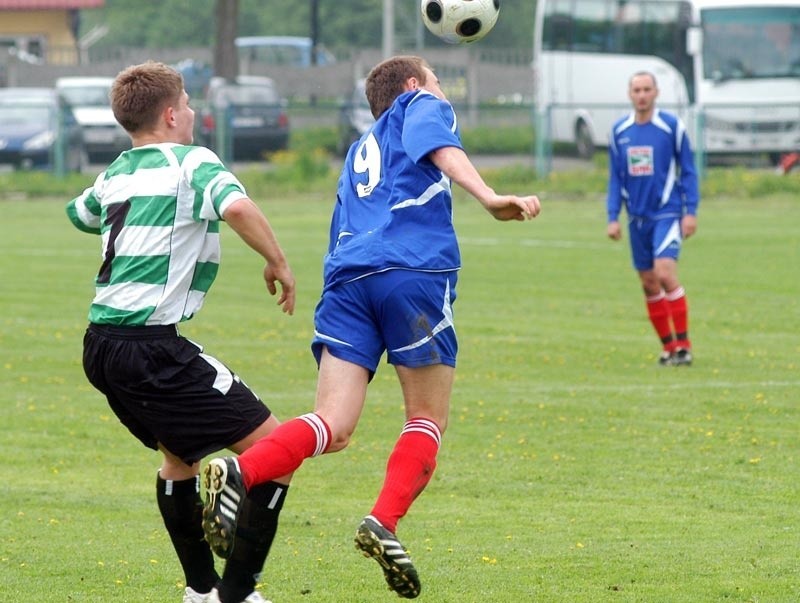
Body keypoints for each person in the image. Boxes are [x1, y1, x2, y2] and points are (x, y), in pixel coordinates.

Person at [200, 55, 541, 599]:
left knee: (331, 424)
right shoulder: (421, 105)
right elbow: (440, 145)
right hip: (411, 271)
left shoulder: (361, 149)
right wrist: (489, 197)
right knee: (427, 417)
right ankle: (383, 520)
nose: (441, 92)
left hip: (347, 280)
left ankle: (241, 474)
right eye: (434, 80)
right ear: (411, 87)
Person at [65, 61, 296, 603]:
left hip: (100, 346)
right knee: (278, 449)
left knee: (177, 460)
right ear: (171, 115)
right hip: (151, 347)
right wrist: (277, 260)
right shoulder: (192, 161)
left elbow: (82, 213)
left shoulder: (118, 170)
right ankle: (237, 593)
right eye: (188, 102)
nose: (193, 110)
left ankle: (200, 590)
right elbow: (236, 205)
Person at [606, 71, 699, 366]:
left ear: (656, 93)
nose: (642, 94)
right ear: (630, 94)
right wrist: (613, 216)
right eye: (637, 89)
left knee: (664, 273)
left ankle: (684, 346)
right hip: (637, 218)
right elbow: (615, 178)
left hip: (667, 213)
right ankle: (668, 347)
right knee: (648, 282)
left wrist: (691, 212)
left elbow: (689, 170)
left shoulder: (671, 127)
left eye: (647, 89)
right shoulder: (619, 131)